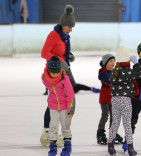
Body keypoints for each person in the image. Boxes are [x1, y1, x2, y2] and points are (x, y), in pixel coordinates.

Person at [40, 4, 99, 147]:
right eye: (70, 27)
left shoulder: (65, 36)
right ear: (63, 25)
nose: (71, 29)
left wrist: (68, 56)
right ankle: (47, 130)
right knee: (54, 100)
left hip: (65, 69)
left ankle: (56, 129)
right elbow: (44, 53)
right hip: (55, 71)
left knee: (66, 95)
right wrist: (60, 60)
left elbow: (62, 52)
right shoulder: (53, 35)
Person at [108, 46, 141, 156]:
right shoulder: (128, 71)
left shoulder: (114, 71)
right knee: (127, 124)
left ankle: (110, 145)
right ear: (128, 60)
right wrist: (136, 63)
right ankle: (130, 147)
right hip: (125, 100)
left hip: (114, 100)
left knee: (115, 123)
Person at [42, 56, 75, 156]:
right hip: (53, 107)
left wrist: (71, 109)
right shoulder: (45, 78)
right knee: (53, 126)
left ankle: (67, 146)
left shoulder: (64, 78)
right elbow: (47, 83)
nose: (55, 74)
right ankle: (52, 147)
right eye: (53, 72)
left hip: (65, 107)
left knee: (65, 127)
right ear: (49, 70)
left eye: (57, 72)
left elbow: (70, 94)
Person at [97, 54, 123, 145]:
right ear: (105, 63)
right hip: (105, 97)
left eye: (114, 61)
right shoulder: (103, 72)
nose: (113, 63)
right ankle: (100, 133)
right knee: (105, 115)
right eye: (111, 61)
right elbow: (110, 82)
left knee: (114, 116)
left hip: (114, 97)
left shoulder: (115, 71)